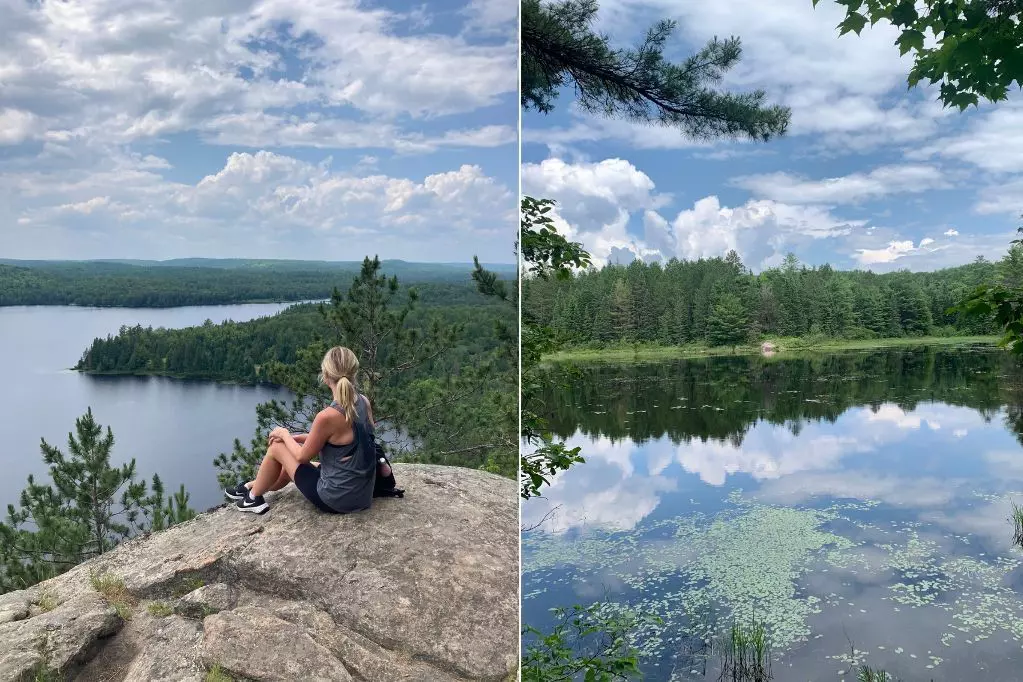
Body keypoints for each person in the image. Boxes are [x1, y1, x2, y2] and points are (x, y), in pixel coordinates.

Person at [224, 346, 391, 515]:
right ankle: (252, 486)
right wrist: (297, 438)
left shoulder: (327, 416)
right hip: (362, 494)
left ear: (325, 377)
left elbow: (302, 457)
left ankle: (252, 498)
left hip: (337, 500)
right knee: (289, 465)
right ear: (354, 373)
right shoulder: (363, 401)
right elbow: (348, 440)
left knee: (276, 447)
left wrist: (284, 434)